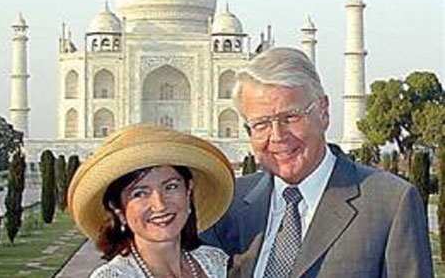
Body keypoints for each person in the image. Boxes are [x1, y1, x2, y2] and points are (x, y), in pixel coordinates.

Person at [200, 47, 433, 277]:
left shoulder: (388, 203)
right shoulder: (228, 203)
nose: (278, 136)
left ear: (323, 111)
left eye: (290, 117)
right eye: (261, 124)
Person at [67, 125, 235, 277]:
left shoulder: (213, 263)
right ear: (119, 210)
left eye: (171, 187)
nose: (160, 204)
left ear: (188, 192)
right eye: (140, 194)